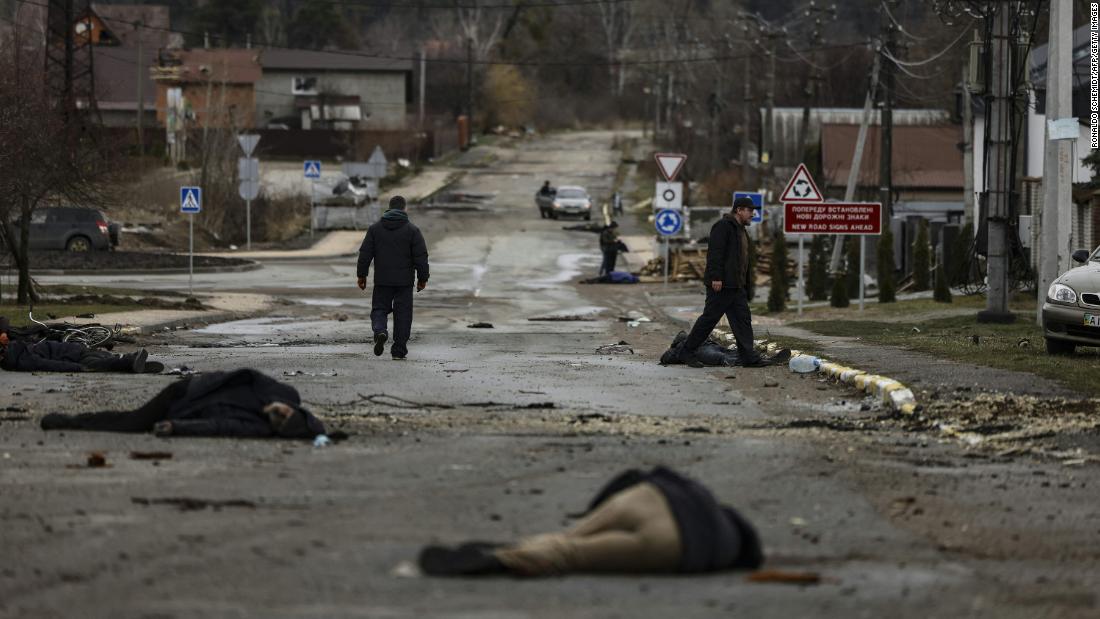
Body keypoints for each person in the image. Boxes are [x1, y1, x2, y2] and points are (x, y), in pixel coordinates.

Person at [418, 466, 763, 577]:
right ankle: (508, 559)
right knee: (574, 555)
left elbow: (635, 476)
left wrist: (593, 511)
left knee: (571, 536)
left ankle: (538, 541)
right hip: (673, 542)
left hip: (648, 496)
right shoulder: (726, 548)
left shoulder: (705, 497)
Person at [39, 368, 326, 439]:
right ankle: (69, 421)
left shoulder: (259, 428)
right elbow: (249, 374)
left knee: (135, 422)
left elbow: (218, 426)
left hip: (185, 408)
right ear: (293, 409)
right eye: (285, 414)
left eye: (279, 420)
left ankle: (71, 421)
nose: (277, 414)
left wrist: (176, 427)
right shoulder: (284, 393)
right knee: (134, 422)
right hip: (188, 390)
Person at [679, 197, 766, 368]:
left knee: (743, 320)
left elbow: (742, 260)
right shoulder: (723, 226)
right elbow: (715, 254)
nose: (753, 214)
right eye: (749, 210)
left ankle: (748, 357)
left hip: (736, 286)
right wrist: (716, 277)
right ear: (739, 210)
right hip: (723, 285)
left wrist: (745, 285)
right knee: (709, 320)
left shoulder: (740, 230)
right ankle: (686, 351)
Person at [357, 195, 430, 360]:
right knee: (403, 314)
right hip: (404, 282)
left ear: (389, 208)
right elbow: (421, 257)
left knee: (379, 309)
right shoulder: (412, 230)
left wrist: (362, 275)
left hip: (382, 280)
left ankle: (380, 331)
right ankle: (398, 350)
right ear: (404, 209)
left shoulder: (375, 229)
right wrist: (423, 278)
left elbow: (365, 254)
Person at [0, 321, 161, 373]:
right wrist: (77, 368)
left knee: (103, 360)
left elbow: (48, 363)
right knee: (102, 361)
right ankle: (130, 362)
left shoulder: (17, 354)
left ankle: (131, 363)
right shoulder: (18, 354)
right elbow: (48, 364)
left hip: (75, 354)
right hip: (75, 353)